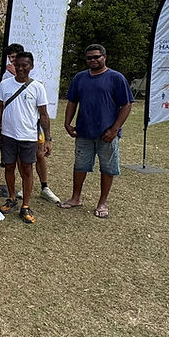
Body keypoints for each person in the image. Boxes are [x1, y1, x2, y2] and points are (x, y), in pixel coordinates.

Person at [59, 44, 134, 219]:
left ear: (104, 57)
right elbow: (72, 101)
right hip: (84, 132)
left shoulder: (116, 78)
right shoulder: (79, 78)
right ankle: (75, 198)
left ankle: (102, 203)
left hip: (107, 134)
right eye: (89, 58)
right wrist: (67, 123)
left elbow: (127, 105)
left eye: (96, 57)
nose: (92, 60)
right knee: (80, 166)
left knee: (107, 168)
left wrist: (115, 129)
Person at [0, 51, 52, 224]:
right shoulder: (5, 84)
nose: (20, 68)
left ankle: (25, 205)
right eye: (17, 65)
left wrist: (47, 139)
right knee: (9, 167)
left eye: (24, 65)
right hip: (8, 135)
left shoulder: (37, 87)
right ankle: (11, 198)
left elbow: (44, 114)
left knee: (27, 170)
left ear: (31, 67)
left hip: (28, 136)